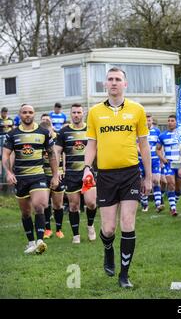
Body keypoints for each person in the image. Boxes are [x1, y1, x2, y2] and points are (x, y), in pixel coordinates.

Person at [83, 67, 152, 288]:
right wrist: (86, 168)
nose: (114, 83)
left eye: (118, 79)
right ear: (105, 84)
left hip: (131, 173)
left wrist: (148, 176)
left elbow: (144, 144)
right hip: (106, 175)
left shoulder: (137, 110)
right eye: (110, 79)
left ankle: (124, 275)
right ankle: (107, 250)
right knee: (109, 229)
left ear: (125, 84)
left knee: (128, 223)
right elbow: (91, 144)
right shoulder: (94, 112)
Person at [2, 104, 59, 254]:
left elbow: (52, 154)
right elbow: (6, 155)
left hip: (38, 176)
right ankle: (31, 242)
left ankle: (40, 241)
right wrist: (8, 172)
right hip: (20, 178)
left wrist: (55, 175)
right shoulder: (12, 134)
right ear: (20, 114)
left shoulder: (43, 132)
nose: (27, 115)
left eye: (30, 112)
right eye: (24, 112)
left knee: (40, 205)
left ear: (34, 114)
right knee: (26, 212)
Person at [55, 104, 97, 243]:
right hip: (71, 174)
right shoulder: (63, 132)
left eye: (79, 112)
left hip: (88, 172)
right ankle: (76, 235)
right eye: (74, 112)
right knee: (73, 206)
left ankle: (90, 225)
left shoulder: (90, 130)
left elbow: (98, 148)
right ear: (70, 114)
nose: (76, 115)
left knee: (91, 203)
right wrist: (59, 170)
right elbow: (57, 152)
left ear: (83, 113)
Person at [40, 114, 65, 240]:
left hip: (58, 174)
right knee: (44, 203)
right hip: (43, 175)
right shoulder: (39, 137)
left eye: (47, 119)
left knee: (58, 204)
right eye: (43, 119)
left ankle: (59, 230)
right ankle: (47, 229)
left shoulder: (58, 137)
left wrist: (63, 170)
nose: (45, 120)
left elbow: (63, 154)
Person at [157, 115, 181, 217]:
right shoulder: (162, 135)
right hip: (169, 164)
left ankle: (173, 203)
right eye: (168, 121)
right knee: (171, 184)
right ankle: (173, 208)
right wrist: (163, 159)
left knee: (178, 188)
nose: (170, 122)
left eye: (172, 120)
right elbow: (158, 149)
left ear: (176, 122)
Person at [139, 113, 164, 212]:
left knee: (156, 181)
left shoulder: (157, 131)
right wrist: (143, 153)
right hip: (141, 160)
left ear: (152, 121)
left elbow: (159, 146)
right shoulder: (139, 131)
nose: (147, 122)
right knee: (142, 183)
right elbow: (137, 145)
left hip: (154, 160)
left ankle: (158, 204)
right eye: (145, 120)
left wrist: (161, 159)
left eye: (149, 120)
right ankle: (144, 203)